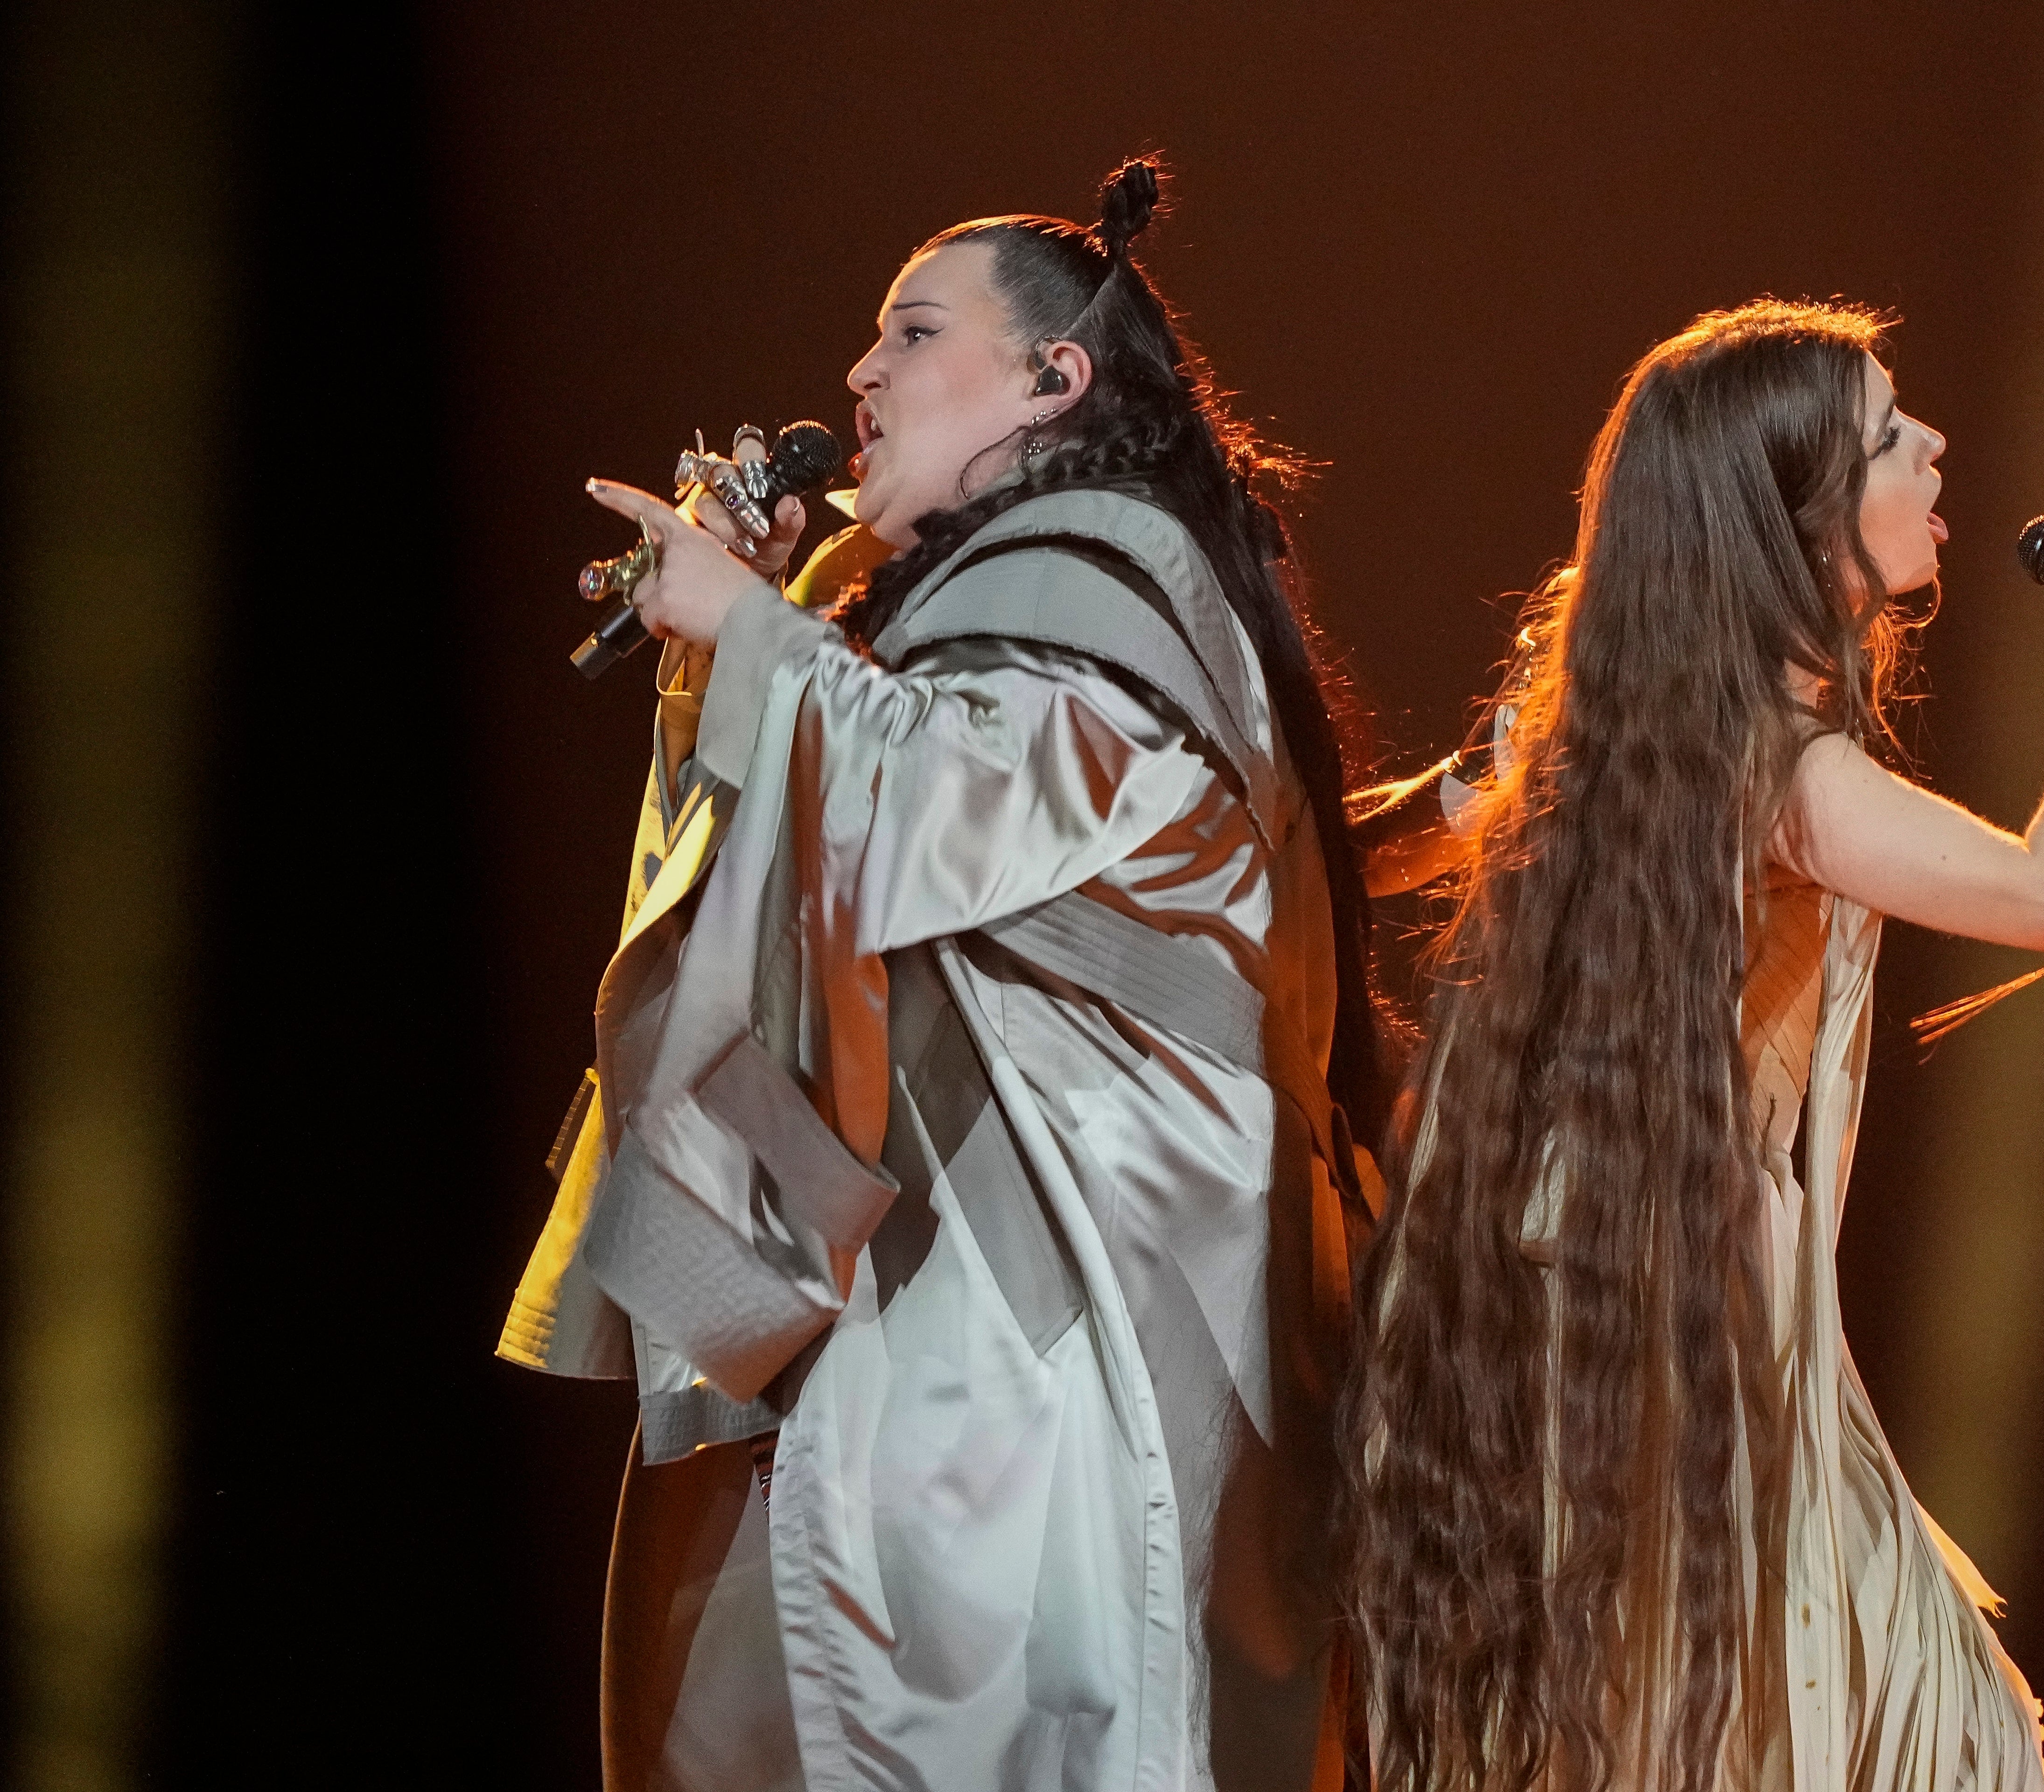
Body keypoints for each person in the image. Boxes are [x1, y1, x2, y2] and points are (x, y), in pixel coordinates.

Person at [497, 159, 1390, 1791]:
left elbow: (947, 805)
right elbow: (856, 817)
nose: (862, 376)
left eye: (914, 333)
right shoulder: (1006, 595)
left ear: (1058, 381)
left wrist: (759, 638)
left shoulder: (1105, 579)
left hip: (1071, 1366)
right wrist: (752, 630)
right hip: (973, 1327)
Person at [1340, 298, 2044, 1792]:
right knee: (1901, 1730)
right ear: (1801, 518)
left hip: (1584, 1312)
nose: (1936, 447)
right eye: (1891, 436)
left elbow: (1370, 852)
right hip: (1685, 1330)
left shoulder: (1607, 729)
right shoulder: (1789, 774)